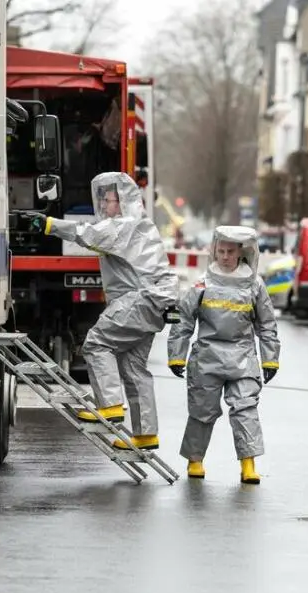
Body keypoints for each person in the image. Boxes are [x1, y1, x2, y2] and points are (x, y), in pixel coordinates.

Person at [26, 172, 179, 450]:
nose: (105, 206)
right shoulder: (143, 226)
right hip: (152, 304)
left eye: (108, 200)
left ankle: (109, 406)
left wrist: (48, 224)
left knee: (96, 344)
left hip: (135, 301)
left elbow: (87, 234)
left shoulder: (123, 226)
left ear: (122, 203)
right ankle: (145, 434)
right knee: (134, 369)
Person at [167, 226, 280, 484]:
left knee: (246, 409)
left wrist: (270, 359)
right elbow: (184, 319)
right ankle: (195, 461)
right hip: (207, 357)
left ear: (242, 252)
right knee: (201, 411)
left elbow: (266, 324)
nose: (226, 256)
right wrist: (176, 355)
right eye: (221, 251)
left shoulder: (254, 285)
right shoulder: (202, 283)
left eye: (231, 251)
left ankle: (248, 466)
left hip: (242, 358)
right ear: (214, 250)